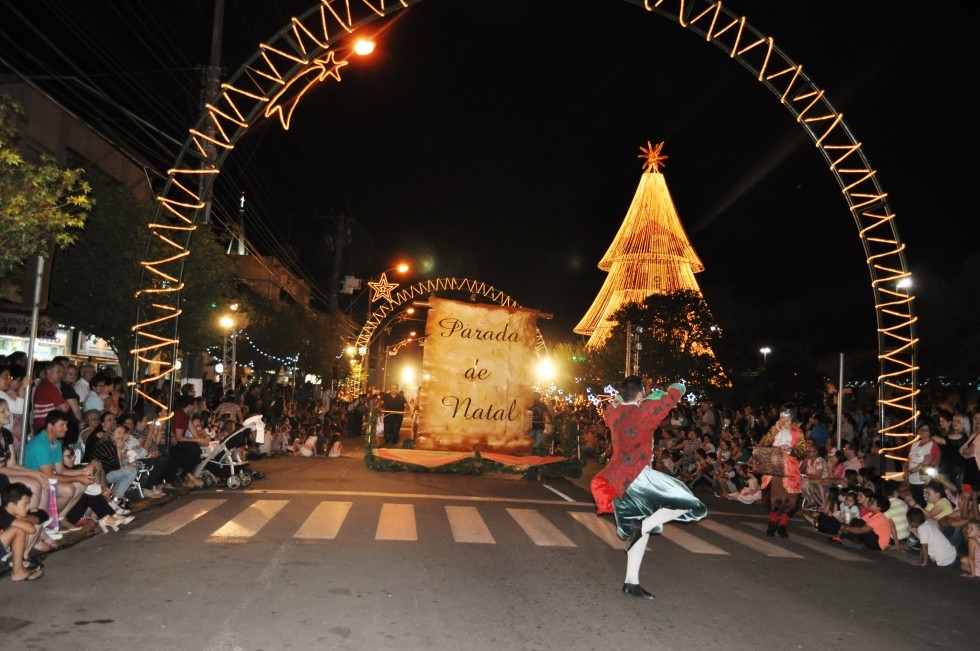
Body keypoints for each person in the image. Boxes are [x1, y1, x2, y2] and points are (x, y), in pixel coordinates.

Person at [590, 376, 707, 600]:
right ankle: (643, 525)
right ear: (641, 393)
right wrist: (674, 387)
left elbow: (616, 401)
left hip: (618, 478)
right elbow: (673, 395)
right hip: (638, 474)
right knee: (690, 504)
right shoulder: (645, 412)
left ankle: (631, 581)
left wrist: (644, 396)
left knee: (640, 533)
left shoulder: (612, 412)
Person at [758, 402, 807, 538]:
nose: (782, 418)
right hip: (774, 465)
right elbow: (764, 442)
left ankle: (783, 525)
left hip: (790, 468)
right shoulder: (775, 428)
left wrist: (791, 450)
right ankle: (772, 522)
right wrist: (775, 429)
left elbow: (803, 452)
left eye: (784, 416)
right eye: (781, 415)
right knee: (773, 496)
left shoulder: (798, 432)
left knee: (790, 499)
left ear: (791, 417)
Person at [1, 481, 44, 581]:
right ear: (11, 505)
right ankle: (18, 572)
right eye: (25, 504)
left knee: (25, 526)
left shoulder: (7, 513)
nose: (28, 507)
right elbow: (31, 529)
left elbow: (41, 516)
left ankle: (17, 565)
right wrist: (23, 519)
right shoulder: (2, 514)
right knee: (20, 528)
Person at [906, 421, 941, 507]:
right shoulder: (915, 444)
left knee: (924, 504)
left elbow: (925, 463)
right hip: (912, 479)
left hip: (923, 480)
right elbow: (908, 460)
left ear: (930, 431)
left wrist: (910, 472)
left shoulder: (932, 444)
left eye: (926, 430)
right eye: (921, 429)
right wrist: (905, 471)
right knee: (916, 502)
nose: (923, 432)